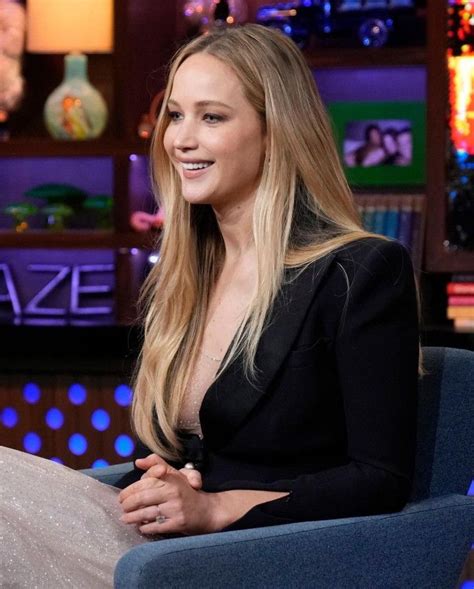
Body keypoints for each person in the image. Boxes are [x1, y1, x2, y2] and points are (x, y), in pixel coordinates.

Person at [0, 24, 420, 586]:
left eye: (212, 117)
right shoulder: (181, 277)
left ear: (275, 133)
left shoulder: (361, 270)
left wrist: (216, 509)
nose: (181, 139)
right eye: (176, 115)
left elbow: (379, 478)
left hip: (266, 557)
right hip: (162, 550)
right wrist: (167, 488)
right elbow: (168, 460)